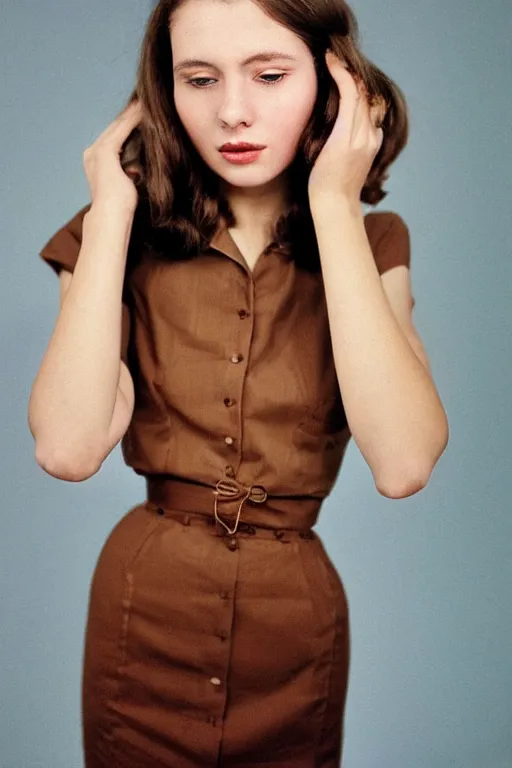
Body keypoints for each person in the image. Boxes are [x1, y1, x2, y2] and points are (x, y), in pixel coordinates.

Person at [28, 0, 449, 765]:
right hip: (144, 611)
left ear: (335, 85)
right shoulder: (116, 235)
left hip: (294, 630)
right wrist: (113, 213)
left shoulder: (374, 242)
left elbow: (405, 462)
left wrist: (332, 204)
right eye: (199, 78)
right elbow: (67, 446)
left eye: (270, 74)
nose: (231, 110)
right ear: (166, 92)